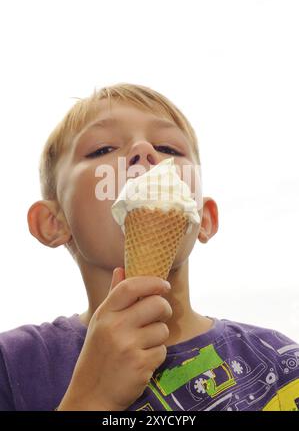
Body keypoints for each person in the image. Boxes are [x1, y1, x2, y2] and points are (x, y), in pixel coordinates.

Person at [0, 83, 298, 411]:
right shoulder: (13, 365)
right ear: (52, 223)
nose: (144, 151)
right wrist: (91, 399)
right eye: (101, 149)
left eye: (169, 148)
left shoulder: (280, 365)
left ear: (204, 216)